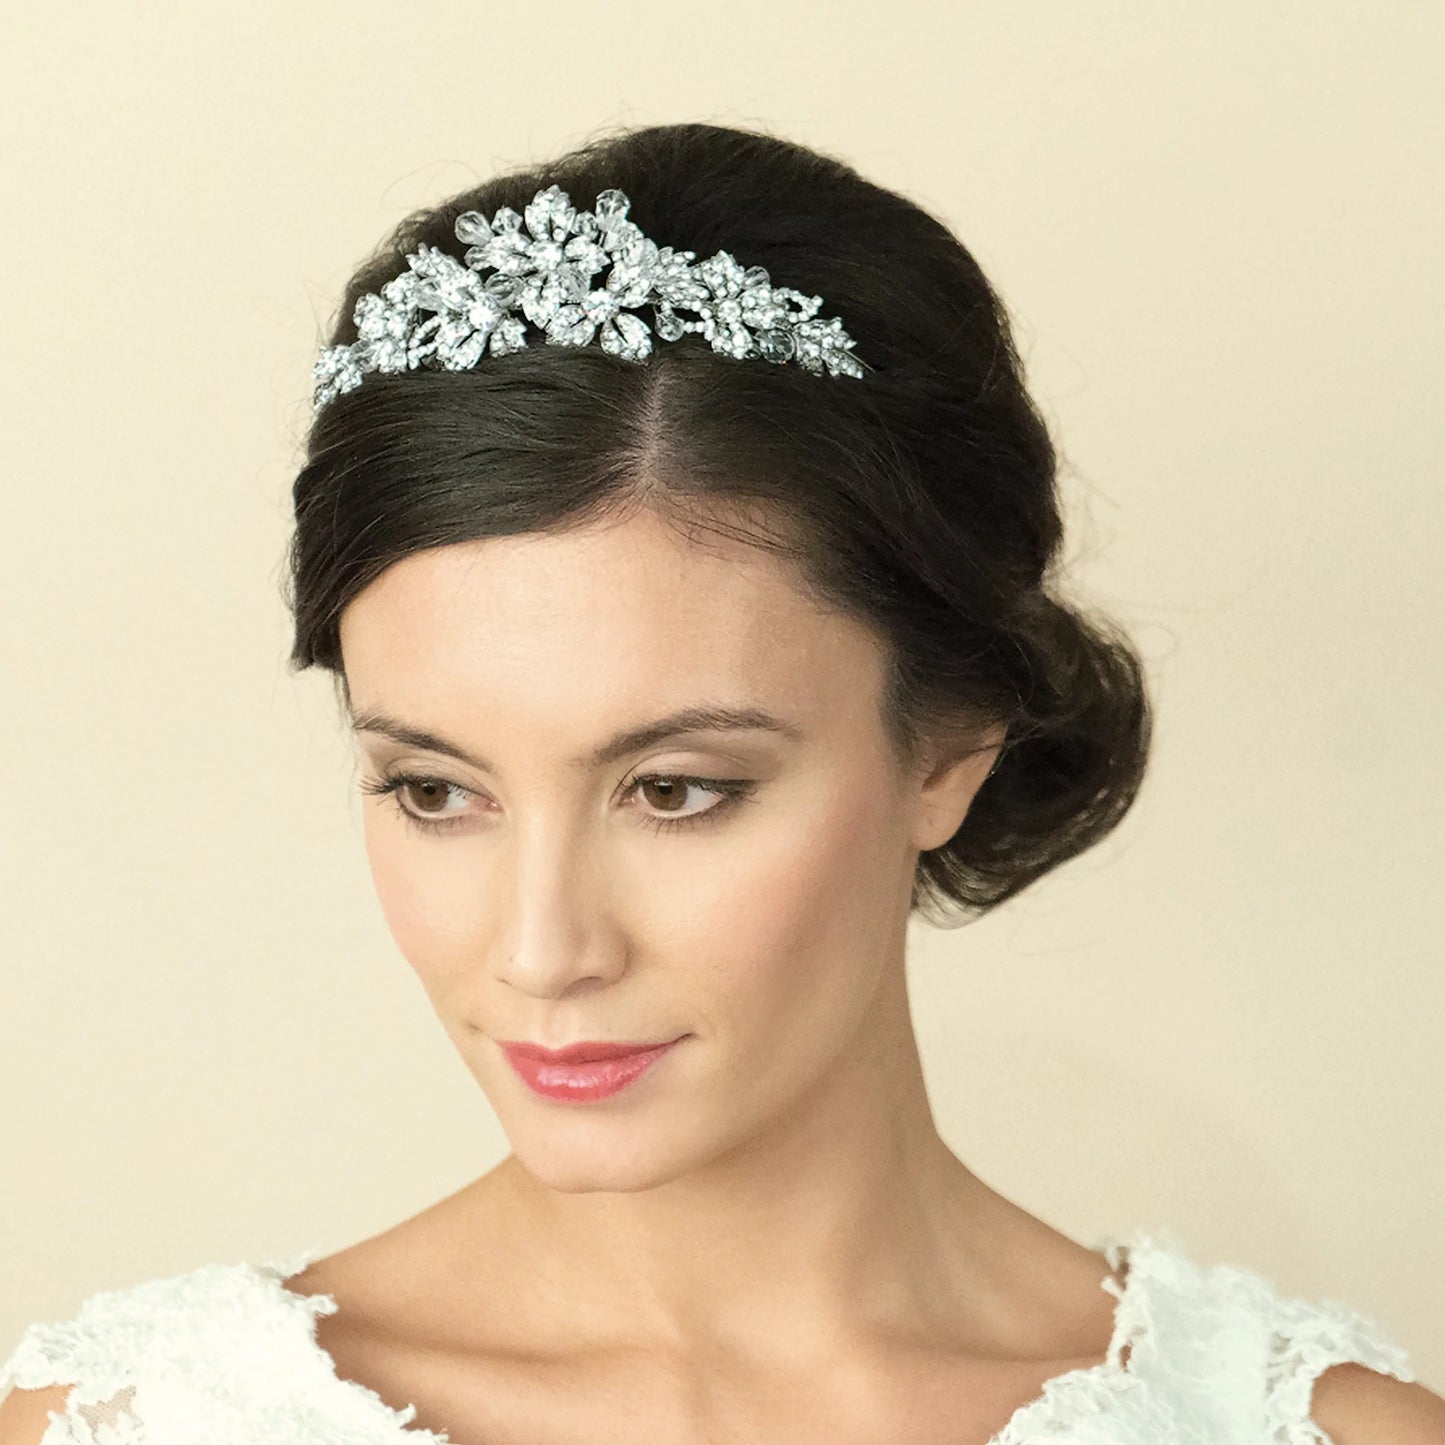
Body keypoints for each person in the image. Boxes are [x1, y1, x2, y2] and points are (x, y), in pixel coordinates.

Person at [2, 120, 1440, 1445]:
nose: (541, 949)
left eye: (676, 789)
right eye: (436, 790)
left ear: (951, 745)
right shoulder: (131, 1424)